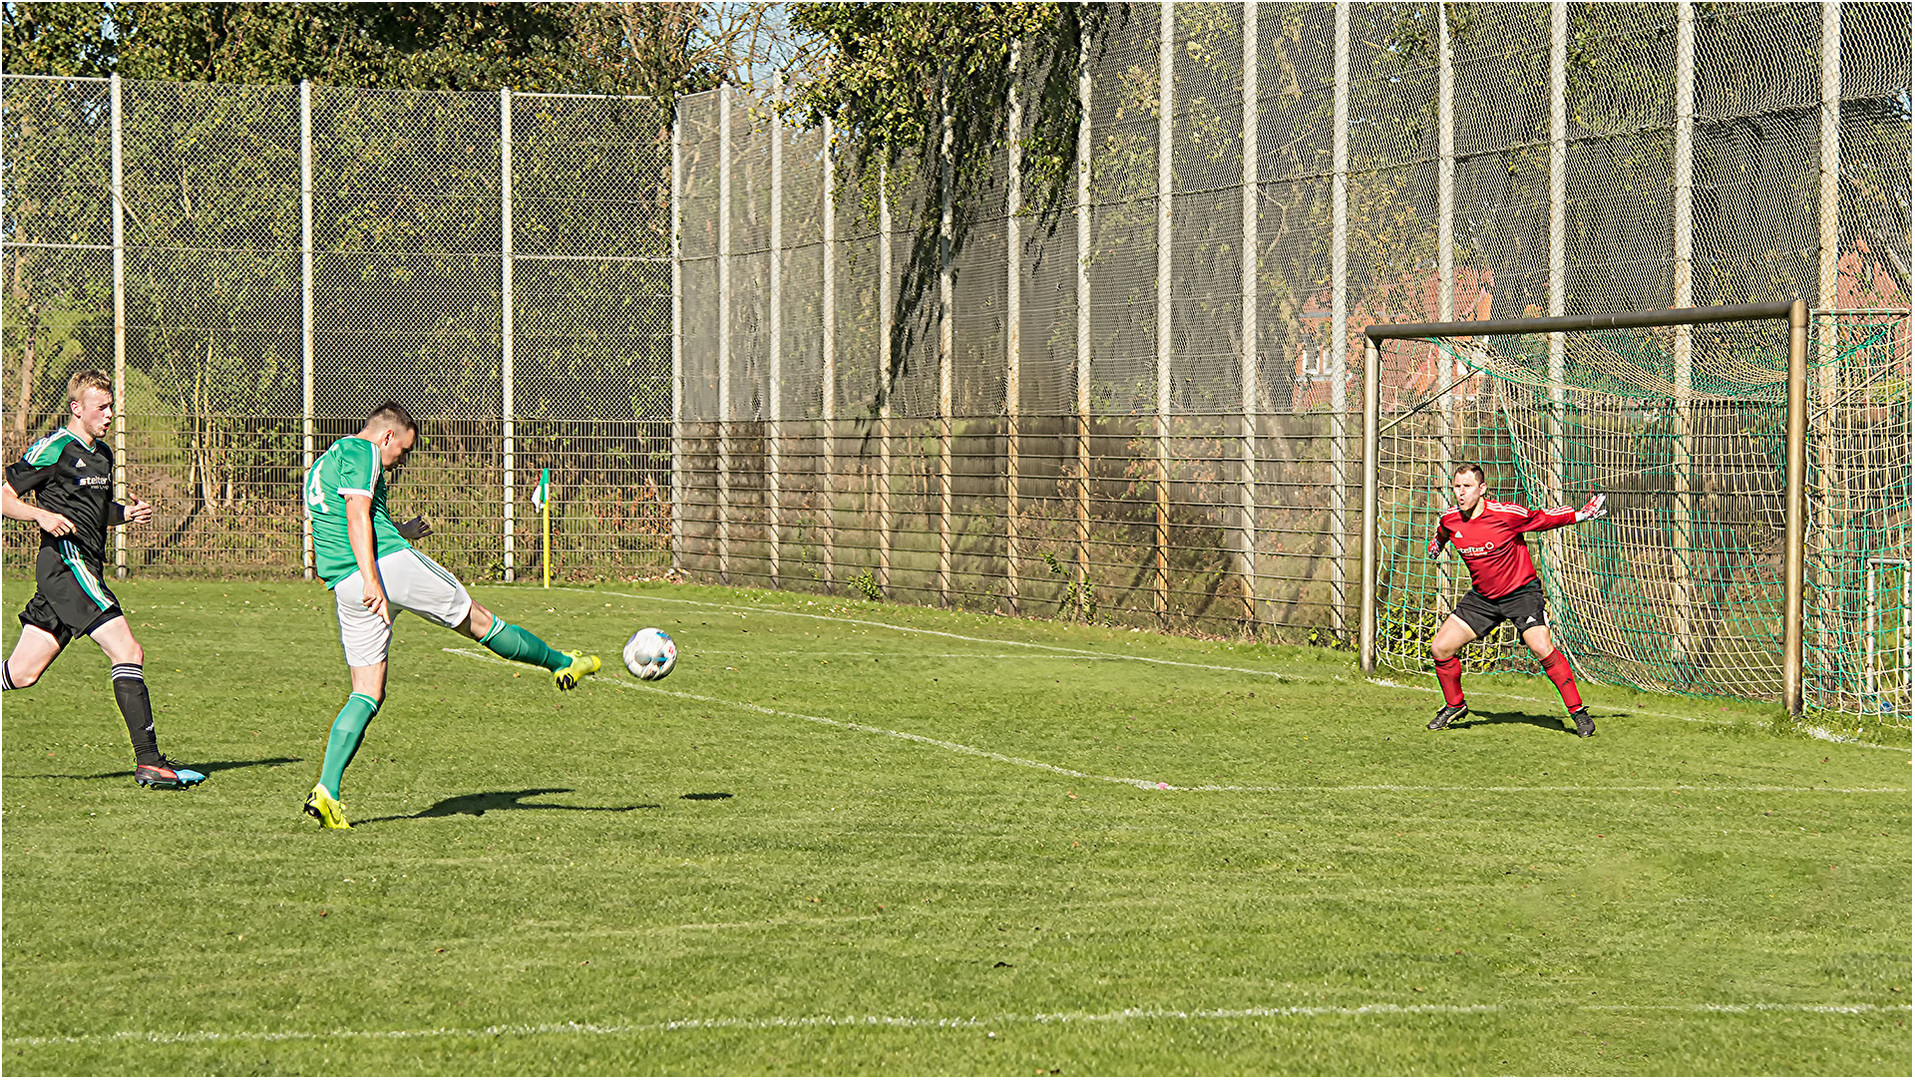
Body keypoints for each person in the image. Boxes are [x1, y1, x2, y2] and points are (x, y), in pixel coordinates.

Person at [301, 402, 599, 829]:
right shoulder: (363, 451)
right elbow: (355, 514)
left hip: (344, 584)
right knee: (480, 622)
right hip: (383, 570)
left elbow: (342, 520)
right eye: (402, 450)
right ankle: (563, 663)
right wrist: (374, 578)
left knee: (366, 692)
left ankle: (327, 789)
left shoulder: (324, 463)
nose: (400, 459)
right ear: (387, 436)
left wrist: (395, 533)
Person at [2, 370, 204, 788]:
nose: (110, 415)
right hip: (66, 565)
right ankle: (149, 761)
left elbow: (93, 511)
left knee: (21, 674)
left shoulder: (104, 455)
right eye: (102, 408)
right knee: (127, 649)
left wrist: (125, 514)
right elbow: (4, 494)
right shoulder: (54, 448)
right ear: (77, 409)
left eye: (111, 406)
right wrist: (40, 514)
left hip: (81, 568)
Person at [1424, 463, 1607, 738]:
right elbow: (1443, 532)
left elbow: (1542, 518)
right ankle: (1455, 705)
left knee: (1541, 646)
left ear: (1482, 489)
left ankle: (1578, 712)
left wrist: (1580, 515)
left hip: (1521, 593)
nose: (1460, 493)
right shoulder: (1450, 518)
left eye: (1467, 486)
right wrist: (1437, 544)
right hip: (1483, 598)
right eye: (1456, 487)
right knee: (1440, 648)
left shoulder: (1505, 514)